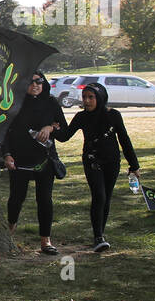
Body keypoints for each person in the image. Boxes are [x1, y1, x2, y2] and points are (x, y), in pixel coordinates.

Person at [54, 81, 140, 252]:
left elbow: (124, 139)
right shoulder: (81, 117)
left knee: (106, 197)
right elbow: (65, 136)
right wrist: (52, 128)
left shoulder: (113, 115)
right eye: (84, 97)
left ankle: (101, 232)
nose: (87, 101)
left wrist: (134, 165)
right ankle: (97, 237)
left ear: (99, 97)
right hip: (92, 160)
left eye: (91, 97)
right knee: (99, 195)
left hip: (112, 161)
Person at [3, 72, 67, 254]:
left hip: (44, 160)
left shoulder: (51, 102)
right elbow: (5, 131)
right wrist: (6, 155)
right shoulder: (14, 102)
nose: (35, 85)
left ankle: (45, 241)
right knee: (16, 198)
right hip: (19, 159)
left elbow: (64, 133)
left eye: (39, 81)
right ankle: (9, 232)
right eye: (30, 82)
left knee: (45, 199)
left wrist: (50, 128)